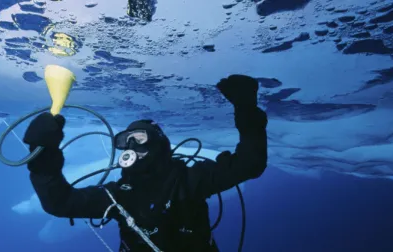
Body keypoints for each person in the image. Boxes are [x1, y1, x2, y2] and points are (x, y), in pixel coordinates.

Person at [22, 74, 268, 252]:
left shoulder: (190, 180)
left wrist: (246, 108)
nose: (130, 147)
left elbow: (250, 164)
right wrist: (42, 156)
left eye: (139, 139)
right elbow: (60, 203)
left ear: (158, 145)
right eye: (124, 141)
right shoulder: (118, 195)